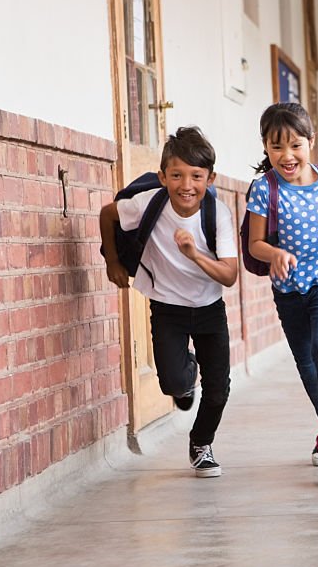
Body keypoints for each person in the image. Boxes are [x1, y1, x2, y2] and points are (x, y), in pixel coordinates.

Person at [99, 126, 238, 478]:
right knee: (173, 384)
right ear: (163, 176)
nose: (186, 185)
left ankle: (201, 444)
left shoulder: (217, 214)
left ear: (210, 178)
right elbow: (107, 214)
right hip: (167, 307)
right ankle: (184, 374)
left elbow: (229, 275)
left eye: (196, 176)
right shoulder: (149, 203)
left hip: (209, 308)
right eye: (176, 175)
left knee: (218, 389)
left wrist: (194, 254)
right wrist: (113, 261)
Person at [246, 102, 318, 468]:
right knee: (306, 362)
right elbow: (254, 244)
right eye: (277, 147)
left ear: (311, 140)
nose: (287, 155)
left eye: (295, 145)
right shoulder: (264, 188)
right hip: (288, 289)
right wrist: (274, 254)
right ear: (265, 147)